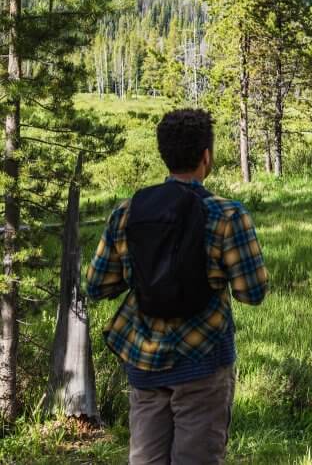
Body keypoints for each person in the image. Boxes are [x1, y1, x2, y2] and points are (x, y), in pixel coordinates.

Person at [87, 108, 268, 465]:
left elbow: (97, 286)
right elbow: (253, 293)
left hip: (144, 363)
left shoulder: (127, 212)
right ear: (206, 157)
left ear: (164, 156)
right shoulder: (228, 215)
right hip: (204, 363)